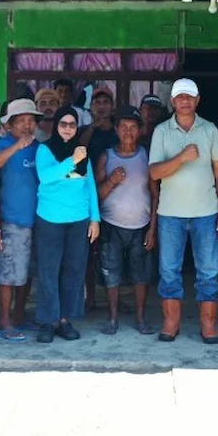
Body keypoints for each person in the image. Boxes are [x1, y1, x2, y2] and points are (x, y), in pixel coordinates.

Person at [149, 78, 218, 344]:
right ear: (172, 101)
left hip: (206, 213)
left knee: (208, 270)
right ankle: (171, 322)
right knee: (169, 270)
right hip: (170, 213)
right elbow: (154, 172)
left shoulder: (209, 130)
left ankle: (208, 325)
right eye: (180, 97)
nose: (185, 101)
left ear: (197, 101)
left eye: (190, 97)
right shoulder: (161, 131)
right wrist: (181, 158)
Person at [33, 107, 100, 342]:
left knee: (73, 271)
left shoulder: (82, 151)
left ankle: (65, 320)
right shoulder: (45, 149)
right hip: (50, 218)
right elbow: (46, 176)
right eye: (63, 124)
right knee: (48, 272)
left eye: (72, 124)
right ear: (55, 125)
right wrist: (73, 161)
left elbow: (90, 185)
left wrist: (95, 218)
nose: (68, 128)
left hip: (79, 219)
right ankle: (47, 321)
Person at [94, 106, 158, 335]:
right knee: (112, 274)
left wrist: (153, 228)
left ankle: (141, 318)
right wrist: (111, 181)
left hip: (141, 226)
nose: (128, 131)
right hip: (111, 225)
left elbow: (155, 194)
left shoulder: (147, 156)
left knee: (141, 275)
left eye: (133, 127)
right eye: (123, 127)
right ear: (116, 130)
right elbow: (96, 194)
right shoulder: (106, 156)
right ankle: (113, 318)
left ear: (140, 130)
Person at [0, 98, 42, 341]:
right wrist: (16, 146)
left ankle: (19, 316)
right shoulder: (2, 145)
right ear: (9, 126)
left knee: (26, 272)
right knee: (7, 275)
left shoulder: (40, 147)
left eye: (31, 121)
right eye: (21, 122)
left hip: (37, 221)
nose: (28, 126)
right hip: (10, 221)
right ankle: (4, 320)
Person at [79, 87, 117, 309]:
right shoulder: (84, 130)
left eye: (105, 102)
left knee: (112, 251)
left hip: (114, 195)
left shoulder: (119, 131)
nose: (102, 106)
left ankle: (115, 298)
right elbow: (78, 149)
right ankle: (90, 297)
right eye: (97, 102)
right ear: (91, 107)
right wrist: (93, 126)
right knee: (89, 253)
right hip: (87, 197)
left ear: (111, 106)